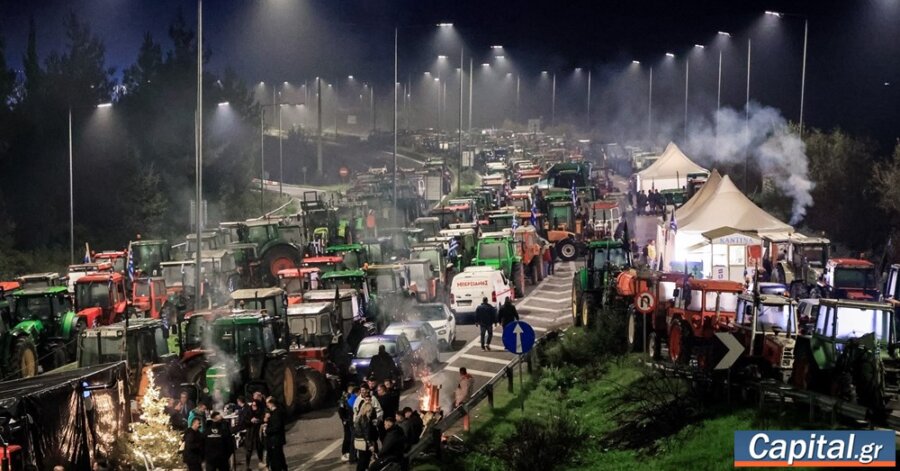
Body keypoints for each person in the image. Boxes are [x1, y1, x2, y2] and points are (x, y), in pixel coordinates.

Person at [352, 386, 380, 471]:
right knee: (364, 460)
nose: (370, 413)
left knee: (362, 460)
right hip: (364, 443)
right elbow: (366, 433)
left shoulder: (359, 418)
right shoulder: (365, 420)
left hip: (359, 442)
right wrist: (370, 445)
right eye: (370, 411)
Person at [265, 397, 287, 471]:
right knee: (280, 457)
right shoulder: (274, 413)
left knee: (276, 460)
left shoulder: (276, 414)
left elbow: (277, 427)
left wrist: (267, 430)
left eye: (267, 403)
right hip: (276, 440)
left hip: (275, 440)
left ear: (271, 403)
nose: (267, 405)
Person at [339, 384, 359, 463]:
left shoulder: (353, 398)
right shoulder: (344, 399)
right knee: (347, 436)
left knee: (351, 437)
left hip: (351, 420)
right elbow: (340, 410)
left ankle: (351, 454)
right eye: (351, 390)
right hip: (347, 420)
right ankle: (345, 452)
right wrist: (344, 419)